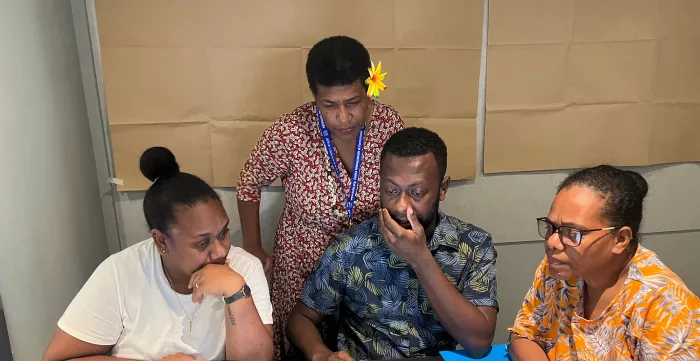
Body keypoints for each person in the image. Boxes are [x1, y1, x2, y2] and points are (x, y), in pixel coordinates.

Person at [236, 35, 404, 359]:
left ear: (370, 88)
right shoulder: (291, 130)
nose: (343, 117)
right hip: (302, 266)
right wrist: (253, 246)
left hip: (365, 266)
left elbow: (404, 183)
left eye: (353, 102)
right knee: (304, 349)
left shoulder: (388, 124)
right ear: (315, 96)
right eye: (330, 105)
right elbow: (248, 181)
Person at [287, 127, 499, 360]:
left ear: (442, 189)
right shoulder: (351, 246)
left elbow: (479, 343)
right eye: (391, 190)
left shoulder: (473, 245)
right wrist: (320, 354)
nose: (400, 206)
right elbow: (301, 319)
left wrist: (421, 259)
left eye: (416, 193)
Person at [42, 147, 273, 361]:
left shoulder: (244, 268)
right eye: (202, 243)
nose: (221, 250)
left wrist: (236, 292)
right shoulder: (120, 272)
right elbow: (57, 358)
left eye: (223, 232)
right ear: (161, 240)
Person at [508, 165, 700, 361]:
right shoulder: (558, 269)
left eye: (572, 233)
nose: (552, 242)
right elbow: (524, 333)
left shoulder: (665, 305)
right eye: (552, 227)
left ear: (620, 239)